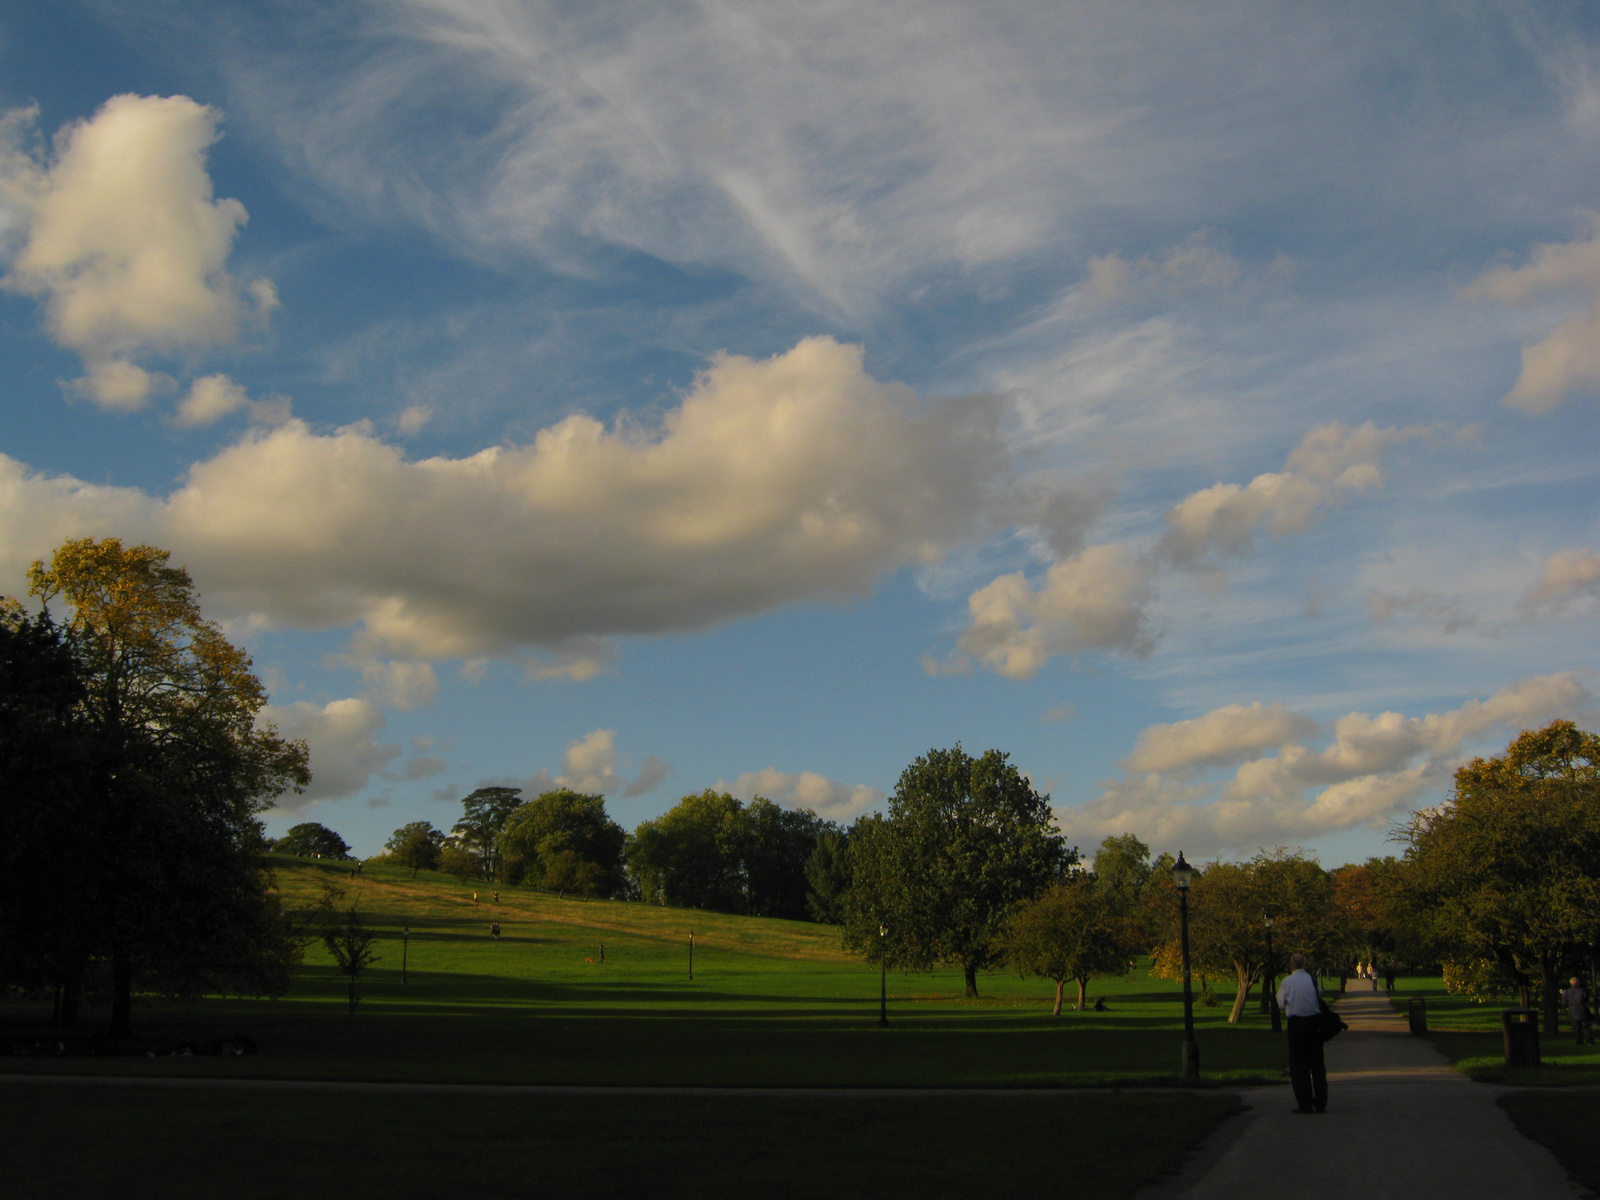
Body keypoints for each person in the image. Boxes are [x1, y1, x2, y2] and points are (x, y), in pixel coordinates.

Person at [1276, 952, 1328, 1114]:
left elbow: (1280, 1004)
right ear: (1304, 964)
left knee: (1299, 1066)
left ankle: (1305, 1103)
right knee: (1317, 1064)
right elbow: (1319, 994)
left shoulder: (1287, 981)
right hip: (1314, 1023)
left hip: (1297, 1024)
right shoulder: (1311, 980)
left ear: (1291, 964)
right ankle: (1320, 1102)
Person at [1560, 977, 1595, 1045]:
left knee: (1576, 1028)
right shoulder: (1582, 991)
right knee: (1586, 1027)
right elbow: (1586, 998)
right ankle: (1589, 1041)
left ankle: (1579, 1042)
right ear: (1578, 983)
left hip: (1573, 1011)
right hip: (1582, 1010)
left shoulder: (1567, 992)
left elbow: (1564, 1002)